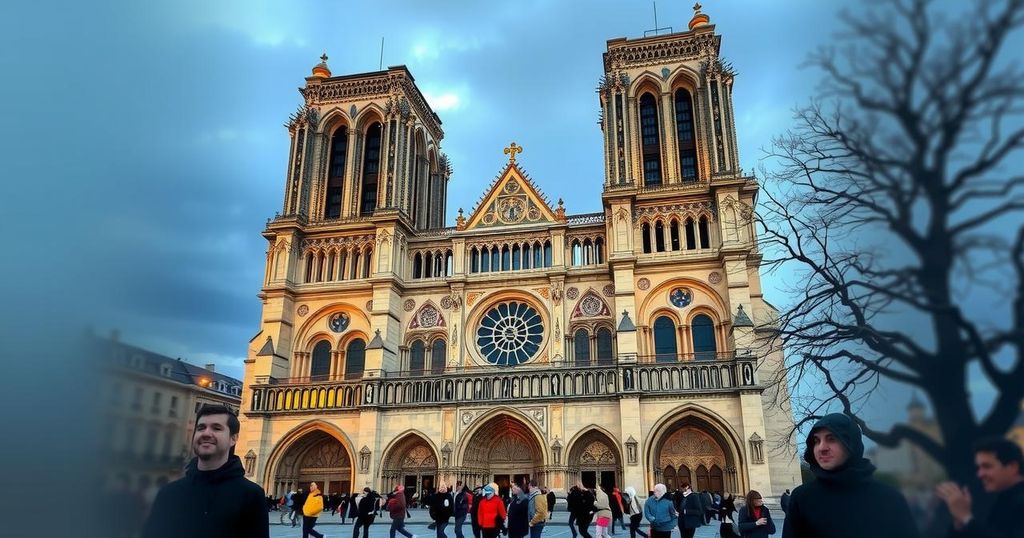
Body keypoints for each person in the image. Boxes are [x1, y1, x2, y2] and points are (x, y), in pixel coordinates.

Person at [781, 413, 921, 538]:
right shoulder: (802, 498)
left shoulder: (890, 498)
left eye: (831, 439)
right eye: (816, 441)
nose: (822, 447)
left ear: (851, 443)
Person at [139, 405, 269, 538]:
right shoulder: (168, 493)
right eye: (201, 428)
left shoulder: (251, 495)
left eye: (216, 428)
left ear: (233, 438)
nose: (206, 433)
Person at [936, 436, 1024, 537]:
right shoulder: (1004, 499)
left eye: (987, 466)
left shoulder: (1018, 501)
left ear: (1012, 467)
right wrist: (959, 521)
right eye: (978, 468)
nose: (980, 474)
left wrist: (966, 517)